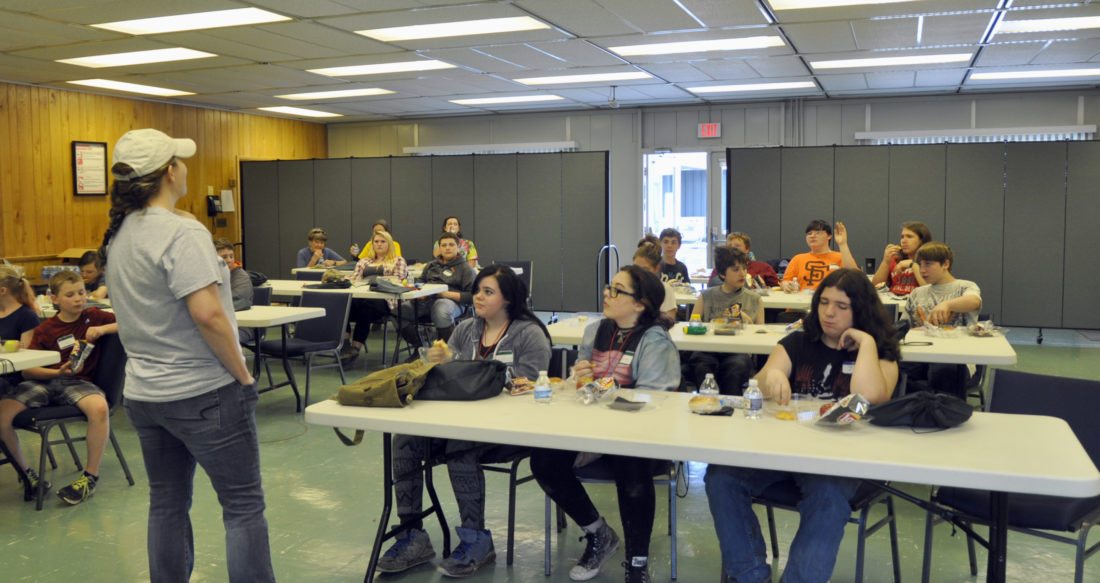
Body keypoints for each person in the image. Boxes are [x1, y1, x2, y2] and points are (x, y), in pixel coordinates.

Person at [101, 128, 274, 581]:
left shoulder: (119, 235)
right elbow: (209, 316)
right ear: (168, 173)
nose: (186, 168)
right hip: (204, 392)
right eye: (180, 161)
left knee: (167, 503)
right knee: (243, 506)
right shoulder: (182, 232)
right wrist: (243, 376)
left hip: (145, 394)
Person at [706, 268, 899, 583]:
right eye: (824, 302)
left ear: (861, 310)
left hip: (841, 462)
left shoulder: (880, 351)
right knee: (721, 476)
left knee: (828, 494)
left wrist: (865, 343)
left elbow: (872, 396)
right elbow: (763, 378)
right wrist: (775, 377)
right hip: (786, 452)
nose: (829, 313)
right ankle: (750, 576)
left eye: (841, 306)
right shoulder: (798, 341)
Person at [379, 265, 552, 577]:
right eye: (478, 291)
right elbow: (448, 379)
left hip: (508, 430)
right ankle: (412, 534)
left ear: (509, 299)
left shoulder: (530, 334)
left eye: (488, 292)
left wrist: (476, 371)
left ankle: (476, 539)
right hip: (458, 421)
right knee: (404, 440)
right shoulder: (466, 329)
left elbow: (532, 385)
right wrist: (437, 363)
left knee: (461, 448)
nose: (479, 297)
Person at [531, 265, 680, 583]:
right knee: (544, 461)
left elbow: (654, 403)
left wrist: (603, 391)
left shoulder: (655, 342)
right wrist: (580, 376)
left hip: (640, 435)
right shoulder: (594, 331)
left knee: (631, 467)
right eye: (608, 287)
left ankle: (637, 562)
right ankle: (598, 533)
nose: (607, 294)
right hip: (592, 429)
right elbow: (584, 386)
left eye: (617, 290)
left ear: (639, 304)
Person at [0, 270, 118, 505]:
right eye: (70, 295)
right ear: (54, 299)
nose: (78, 299)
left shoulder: (94, 316)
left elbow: (130, 321)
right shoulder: (45, 329)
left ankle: (90, 476)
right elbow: (28, 371)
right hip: (43, 381)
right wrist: (56, 372)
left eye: (82, 292)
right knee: (2, 416)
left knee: (100, 409)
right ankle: (29, 476)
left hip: (78, 382)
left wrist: (103, 330)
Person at [901, 241, 982, 398]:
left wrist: (947, 304)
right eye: (920, 265)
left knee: (943, 371)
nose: (922, 270)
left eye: (928, 264)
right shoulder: (917, 293)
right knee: (892, 367)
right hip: (921, 356)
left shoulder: (965, 287)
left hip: (957, 358)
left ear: (945, 264)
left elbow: (974, 301)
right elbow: (904, 327)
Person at [689, 247, 763, 395]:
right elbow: (692, 327)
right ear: (722, 274)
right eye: (735, 269)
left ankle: (732, 410)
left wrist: (746, 319)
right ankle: (706, 408)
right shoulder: (706, 296)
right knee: (701, 365)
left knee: (735, 369)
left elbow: (761, 336)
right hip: (708, 349)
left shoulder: (755, 299)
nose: (742, 273)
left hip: (739, 351)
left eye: (744, 268)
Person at [342, 230, 408, 364]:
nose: (379, 244)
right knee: (343, 304)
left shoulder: (398, 261)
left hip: (385, 301)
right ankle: (345, 344)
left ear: (389, 244)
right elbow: (355, 280)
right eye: (376, 242)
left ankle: (355, 348)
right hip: (362, 297)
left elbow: (399, 282)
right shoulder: (364, 261)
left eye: (383, 242)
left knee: (366, 307)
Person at [401, 233, 475, 348]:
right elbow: (420, 282)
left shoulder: (465, 268)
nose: (447, 248)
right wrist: (420, 293)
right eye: (444, 245)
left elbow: (472, 296)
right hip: (426, 301)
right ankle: (421, 347)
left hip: (452, 302)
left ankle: (452, 351)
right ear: (439, 248)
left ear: (458, 247)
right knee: (399, 311)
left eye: (451, 245)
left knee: (440, 308)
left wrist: (445, 294)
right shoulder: (431, 265)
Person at [781, 220, 858, 292]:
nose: (812, 236)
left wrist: (842, 244)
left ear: (829, 236)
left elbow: (856, 277)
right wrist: (786, 285)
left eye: (817, 232)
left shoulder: (840, 257)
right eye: (809, 233)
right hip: (801, 301)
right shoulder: (798, 258)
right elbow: (785, 281)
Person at [871, 221, 932, 295]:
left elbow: (929, 290)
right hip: (894, 301)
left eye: (909, 237)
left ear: (921, 240)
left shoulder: (930, 261)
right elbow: (875, 286)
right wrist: (886, 261)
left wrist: (913, 265)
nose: (903, 241)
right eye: (902, 237)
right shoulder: (896, 259)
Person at [708, 232, 779, 288]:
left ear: (747, 249)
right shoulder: (722, 267)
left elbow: (776, 288)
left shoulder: (763, 267)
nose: (733, 248)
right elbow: (713, 285)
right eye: (729, 246)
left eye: (737, 246)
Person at [633, 236, 678, 321]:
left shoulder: (665, 290)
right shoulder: (629, 287)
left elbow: (669, 321)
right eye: (635, 268)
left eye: (645, 270)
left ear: (656, 268)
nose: (639, 273)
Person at [214, 238, 253, 312]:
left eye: (231, 256)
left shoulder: (242, 277)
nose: (229, 260)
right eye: (224, 257)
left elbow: (235, 301)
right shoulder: (210, 276)